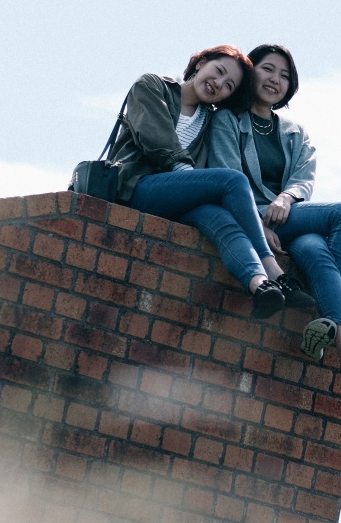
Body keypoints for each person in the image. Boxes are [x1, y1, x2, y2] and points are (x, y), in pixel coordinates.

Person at [209, 44, 341, 393]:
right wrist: (259, 224)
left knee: (319, 246)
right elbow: (225, 174)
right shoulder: (227, 121)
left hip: (289, 218)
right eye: (268, 69)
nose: (276, 79)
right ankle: (339, 340)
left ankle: (336, 341)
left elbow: (304, 176)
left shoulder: (295, 132)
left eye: (285, 75)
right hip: (254, 219)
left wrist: (286, 198)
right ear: (250, 71)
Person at [106, 45, 313, 319]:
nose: (218, 84)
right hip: (136, 187)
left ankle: (262, 286)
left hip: (179, 201)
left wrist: (196, 185)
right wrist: (191, 178)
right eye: (218, 71)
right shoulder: (153, 86)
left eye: (229, 85)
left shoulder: (209, 119)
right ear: (201, 62)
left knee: (220, 219)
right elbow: (156, 140)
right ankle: (274, 270)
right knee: (233, 181)